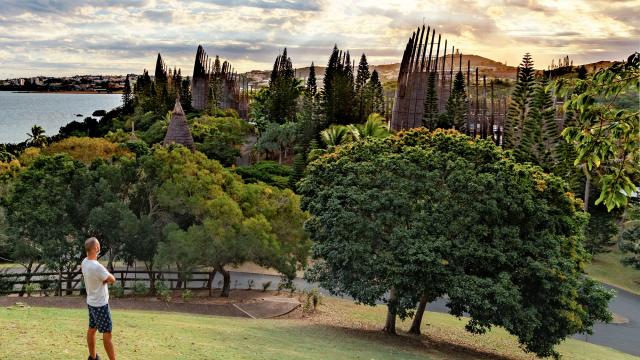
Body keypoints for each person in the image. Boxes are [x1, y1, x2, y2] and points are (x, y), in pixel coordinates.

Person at [81, 237, 117, 360]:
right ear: (96, 248)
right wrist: (105, 280)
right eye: (99, 245)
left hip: (91, 303)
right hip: (101, 304)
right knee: (107, 334)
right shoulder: (97, 267)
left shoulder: (84, 262)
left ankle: (93, 357)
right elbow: (112, 279)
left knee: (92, 329)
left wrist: (103, 280)